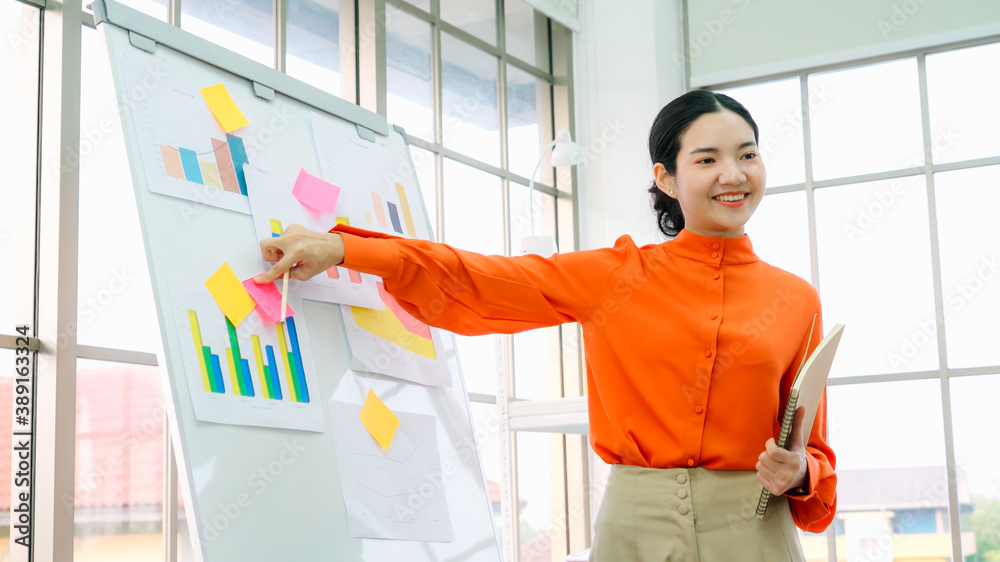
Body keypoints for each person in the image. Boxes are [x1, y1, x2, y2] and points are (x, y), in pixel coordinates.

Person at [255, 90, 836, 561]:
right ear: (666, 178)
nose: (732, 173)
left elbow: (815, 449)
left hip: (755, 531)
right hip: (635, 527)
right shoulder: (615, 275)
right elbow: (481, 277)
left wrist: (799, 472)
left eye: (748, 154)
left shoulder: (796, 300)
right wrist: (346, 248)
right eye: (707, 159)